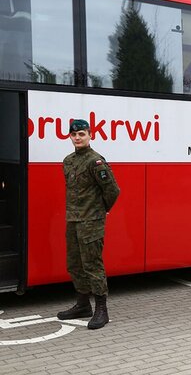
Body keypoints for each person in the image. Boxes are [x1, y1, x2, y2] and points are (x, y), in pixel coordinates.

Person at [57, 119, 120, 330]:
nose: (77, 138)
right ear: (70, 137)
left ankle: (101, 309)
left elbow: (112, 190)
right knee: (75, 264)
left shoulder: (96, 161)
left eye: (82, 134)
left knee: (92, 264)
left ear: (90, 135)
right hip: (73, 220)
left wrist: (101, 210)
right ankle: (83, 305)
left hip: (91, 221)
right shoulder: (68, 161)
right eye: (74, 135)